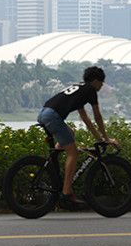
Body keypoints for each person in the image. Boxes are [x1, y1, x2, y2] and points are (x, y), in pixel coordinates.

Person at [37, 65, 118, 208]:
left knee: (70, 134)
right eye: (101, 82)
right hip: (53, 116)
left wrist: (99, 138)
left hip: (44, 113)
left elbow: (85, 118)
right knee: (73, 153)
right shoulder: (91, 90)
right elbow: (97, 116)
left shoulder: (81, 88)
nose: (101, 85)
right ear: (95, 81)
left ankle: (53, 162)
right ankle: (67, 193)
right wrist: (106, 139)